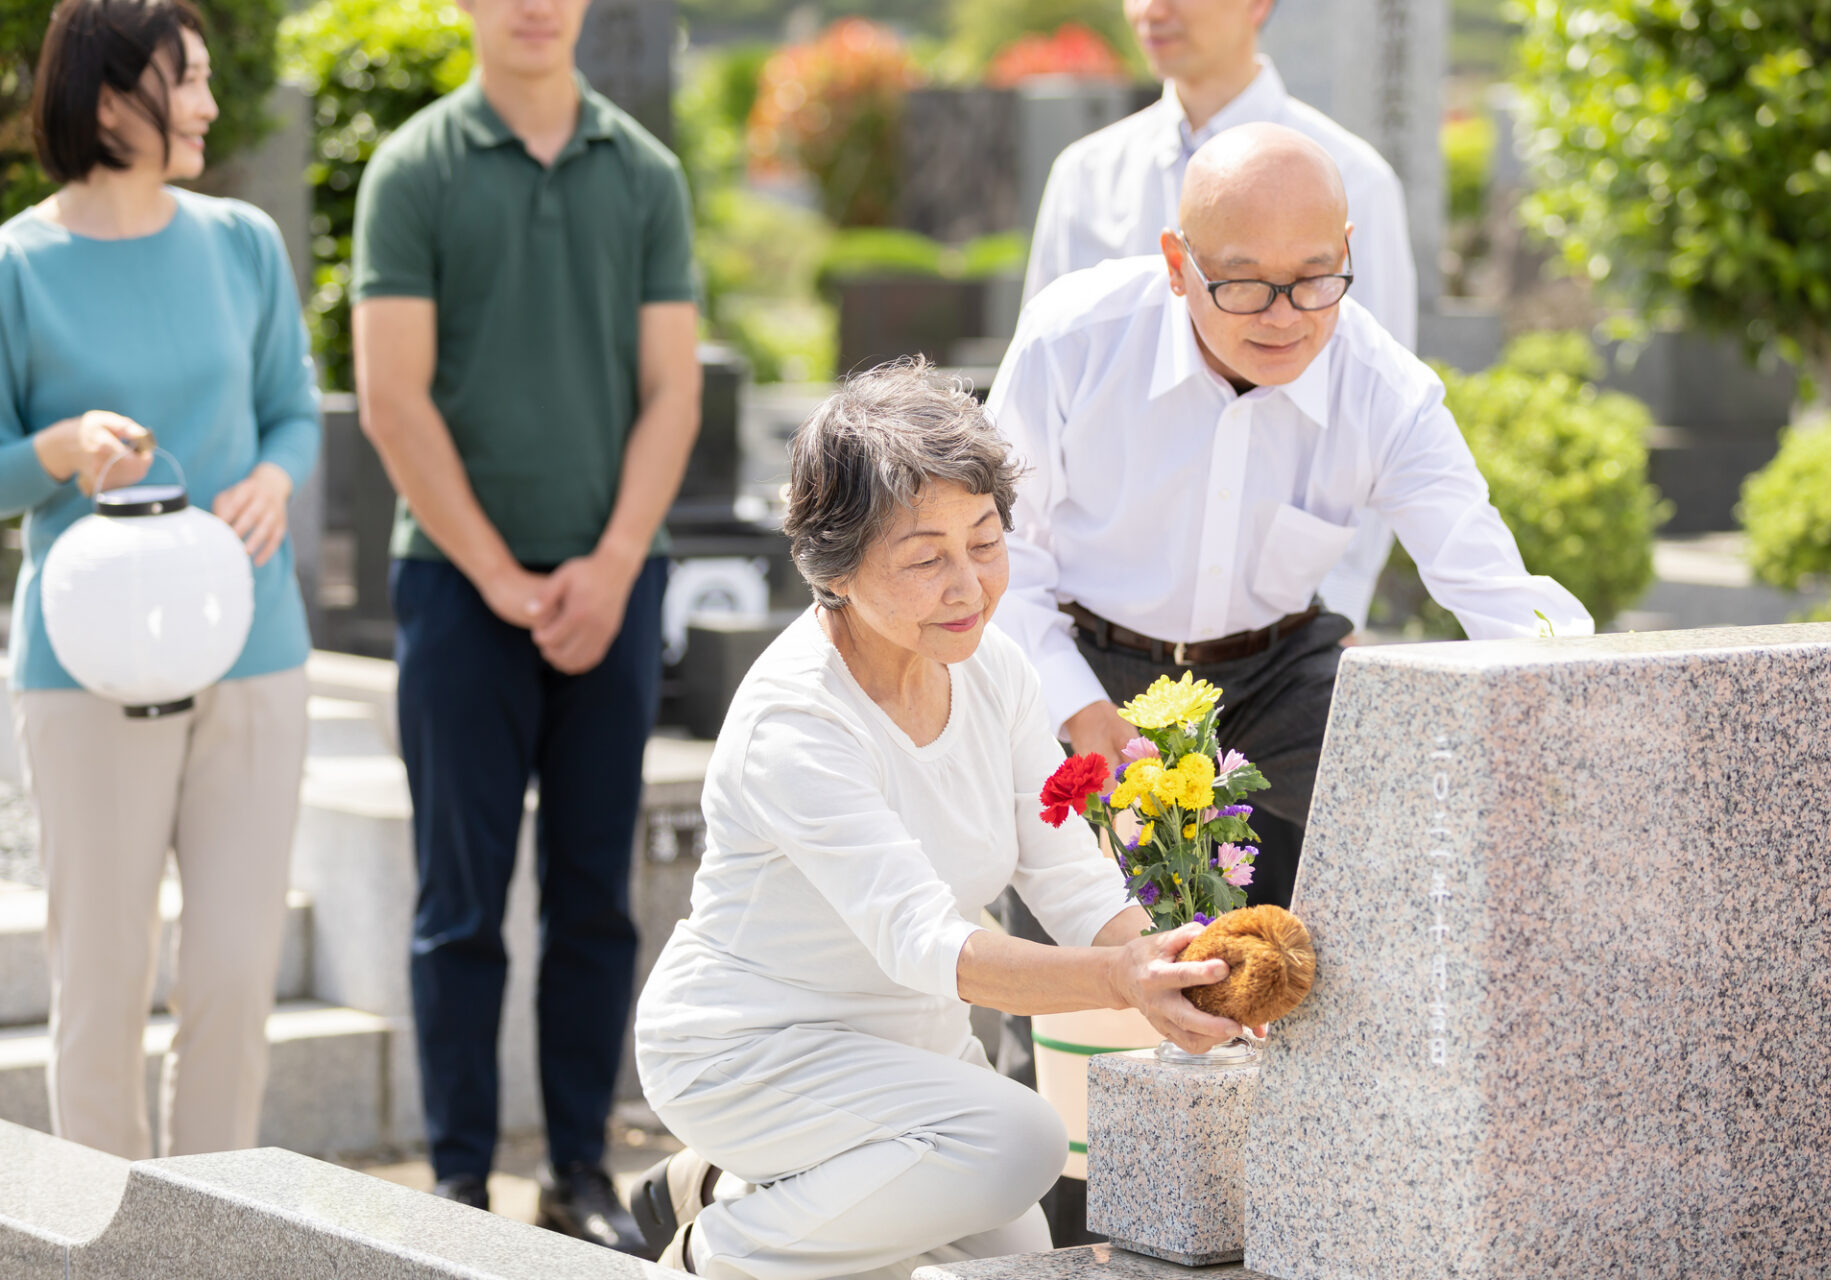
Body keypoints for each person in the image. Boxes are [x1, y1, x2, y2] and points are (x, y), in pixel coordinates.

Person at [628, 360, 1245, 1280]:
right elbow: (923, 941)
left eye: (987, 543)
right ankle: (712, 1250)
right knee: (1021, 1144)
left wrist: (1172, 968)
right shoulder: (797, 720)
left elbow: (1071, 878)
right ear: (832, 569)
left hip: (910, 1059)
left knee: (1014, 1255)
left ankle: (724, 1189)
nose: (969, 587)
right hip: (752, 1051)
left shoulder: (990, 667)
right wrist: (1121, 981)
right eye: (925, 558)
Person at [990, 123, 1593, 911]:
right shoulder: (1074, 338)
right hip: (1091, 654)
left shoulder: (1384, 387)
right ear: (1179, 264)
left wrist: (1579, 709)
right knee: (1068, 902)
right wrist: (1075, 704)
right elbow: (998, 552)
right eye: (1242, 284)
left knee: (1441, 820)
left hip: (1274, 672)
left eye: (1315, 278)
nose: (1283, 317)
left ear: (1347, 251)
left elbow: (1488, 579)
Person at [350, 0, 701, 1252]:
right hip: (455, 588)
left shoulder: (645, 174)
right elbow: (392, 397)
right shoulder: (416, 169)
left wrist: (611, 564)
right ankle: (454, 1179)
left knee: (596, 892)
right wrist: (498, 574)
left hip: (617, 578)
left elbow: (672, 388)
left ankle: (576, 1168)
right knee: (459, 897)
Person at [0, 0, 318, 1158]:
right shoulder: (15, 265)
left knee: (235, 971)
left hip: (258, 647)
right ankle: (106, 1241)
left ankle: (214, 1226)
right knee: (101, 971)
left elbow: (291, 409)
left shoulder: (241, 242)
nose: (208, 103)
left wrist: (276, 481)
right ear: (104, 95)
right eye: (184, 80)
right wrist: (58, 448)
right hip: (84, 667)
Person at [1025, 0, 1419, 632]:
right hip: (1094, 630)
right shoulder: (1086, 176)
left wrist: (1331, 623)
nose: (1151, 10)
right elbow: (1032, 415)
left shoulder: (1357, 179)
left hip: (1284, 636)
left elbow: (1382, 415)